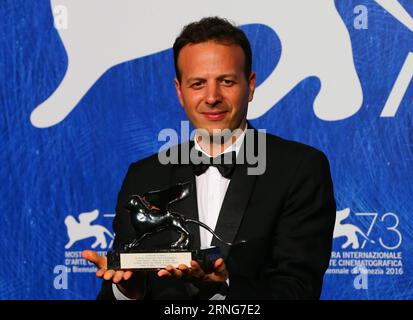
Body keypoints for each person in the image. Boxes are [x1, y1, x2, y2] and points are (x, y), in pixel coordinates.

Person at [83, 16, 336, 300]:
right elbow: (116, 287)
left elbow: (299, 290)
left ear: (250, 86)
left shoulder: (298, 168)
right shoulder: (144, 175)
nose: (212, 96)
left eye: (226, 81)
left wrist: (223, 288)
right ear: (180, 91)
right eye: (198, 84)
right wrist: (128, 291)